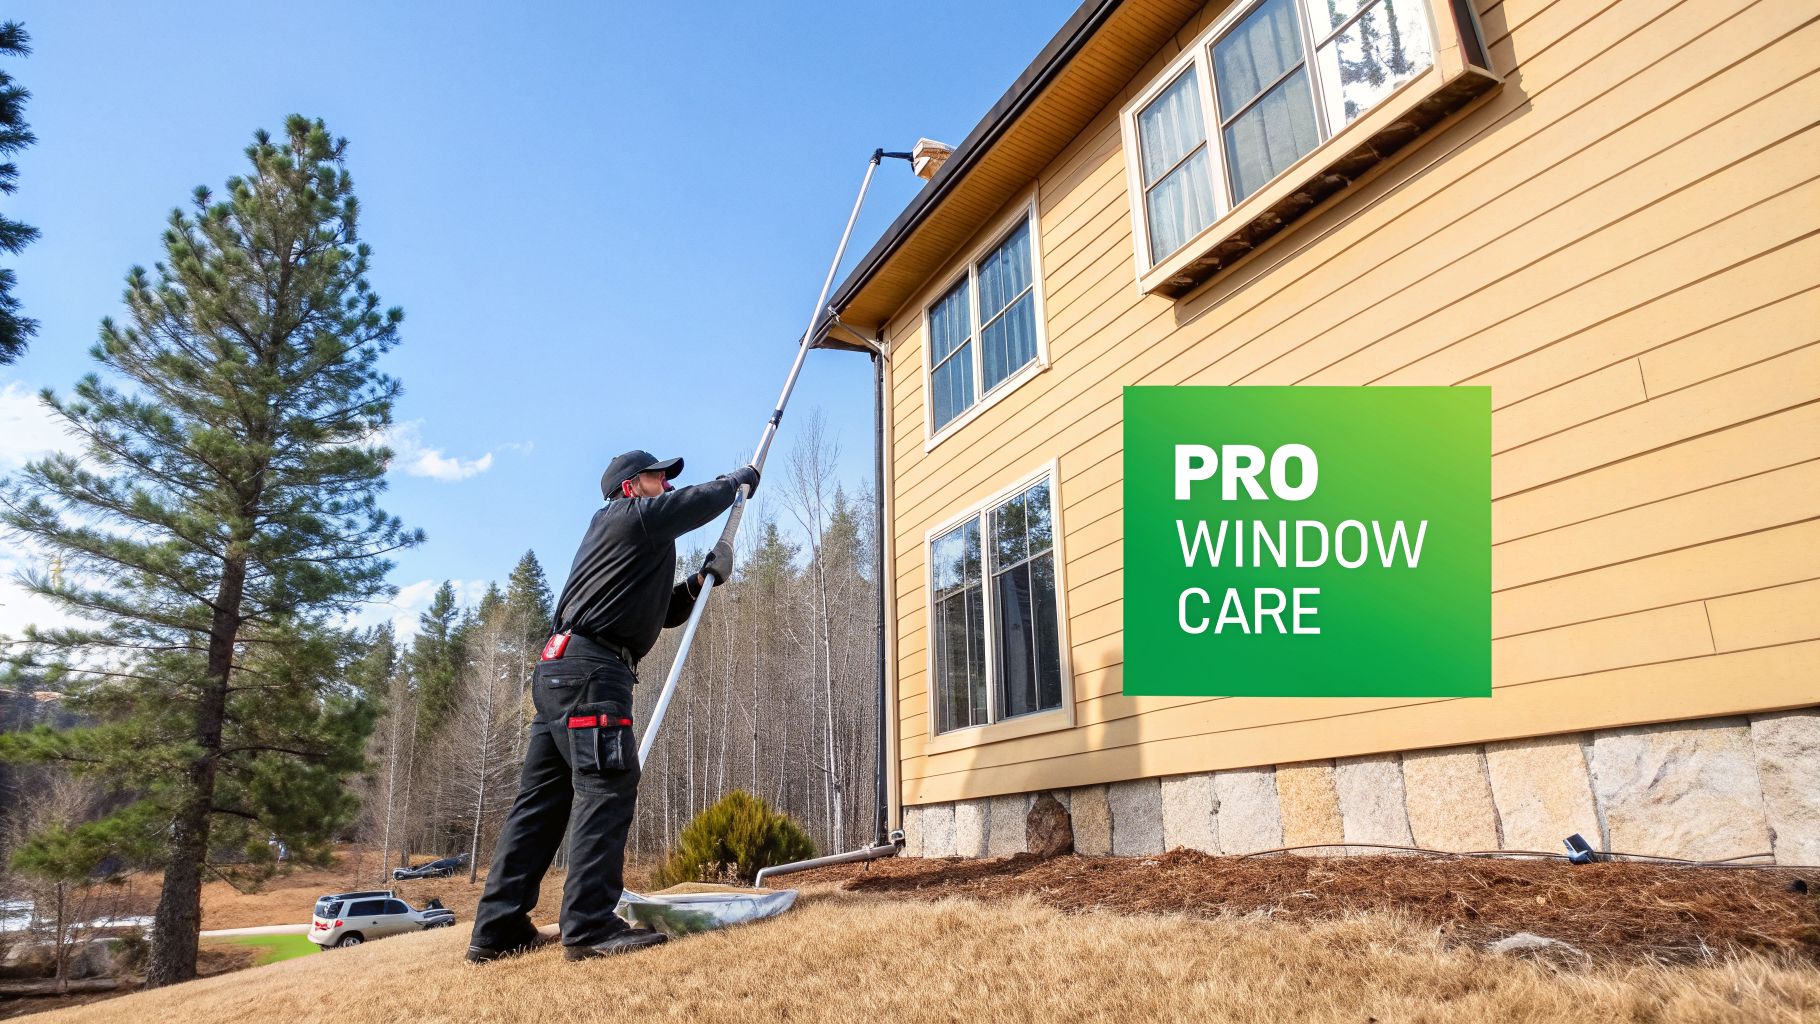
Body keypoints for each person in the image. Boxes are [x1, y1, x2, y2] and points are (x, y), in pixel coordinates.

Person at [465, 449, 760, 962]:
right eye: (657, 478)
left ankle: (498, 929)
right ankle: (589, 926)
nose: (666, 485)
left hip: (563, 669)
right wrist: (735, 481)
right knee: (607, 786)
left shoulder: (632, 539)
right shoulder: (627, 517)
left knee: (540, 806)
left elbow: (655, 612)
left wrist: (697, 583)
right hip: (591, 674)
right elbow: (694, 504)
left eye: (669, 480)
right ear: (630, 487)